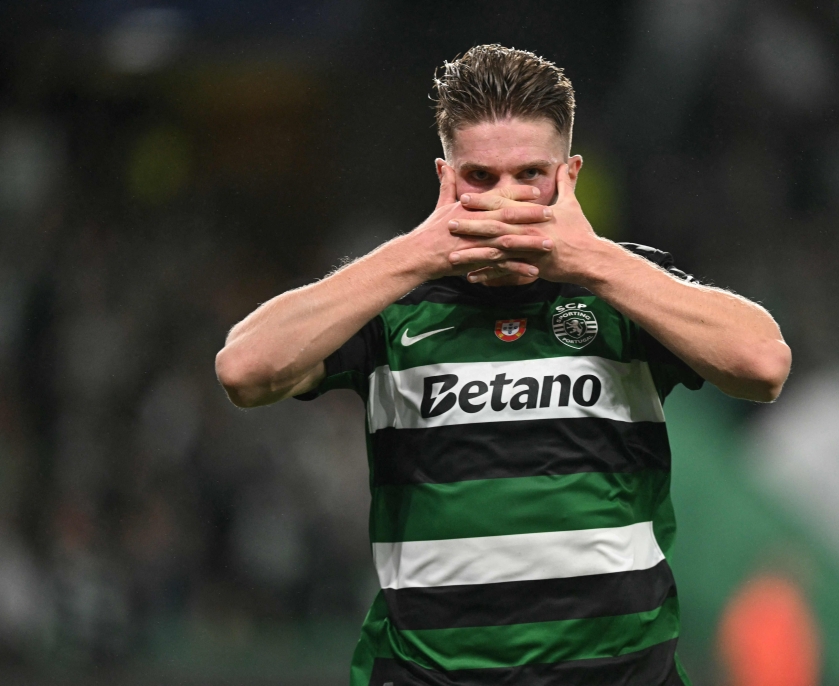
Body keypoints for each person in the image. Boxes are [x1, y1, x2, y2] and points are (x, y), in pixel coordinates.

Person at [215, 44, 791, 686]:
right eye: (480, 177)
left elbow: (763, 363)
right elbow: (244, 368)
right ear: (446, 178)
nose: (506, 201)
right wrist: (419, 252)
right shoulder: (395, 305)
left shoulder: (622, 290)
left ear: (569, 176)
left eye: (530, 175)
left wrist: (590, 259)